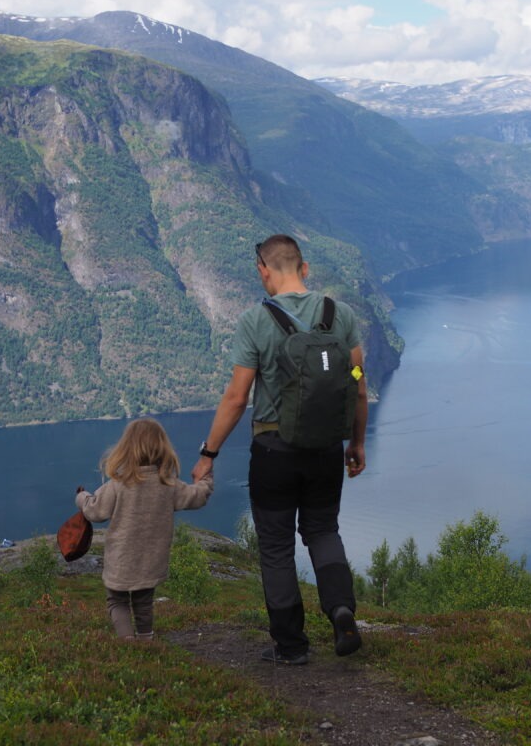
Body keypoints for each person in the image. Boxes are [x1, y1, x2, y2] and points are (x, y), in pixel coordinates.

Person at [192, 234, 368, 665]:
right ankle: (341, 610)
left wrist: (208, 454)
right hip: (326, 448)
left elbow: (236, 398)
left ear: (263, 271)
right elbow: (359, 385)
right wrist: (357, 442)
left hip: (274, 451)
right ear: (304, 268)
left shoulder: (256, 321)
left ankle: (291, 647)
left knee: (274, 547)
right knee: (323, 531)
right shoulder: (339, 315)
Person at [77, 417, 213, 640]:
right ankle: (146, 641)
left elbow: (94, 512)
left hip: (121, 560)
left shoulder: (118, 484)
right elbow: (197, 497)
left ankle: (128, 643)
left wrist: (81, 497)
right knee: (143, 602)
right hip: (152, 560)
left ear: (125, 448)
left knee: (117, 601)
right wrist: (206, 479)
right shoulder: (167, 484)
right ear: (162, 448)